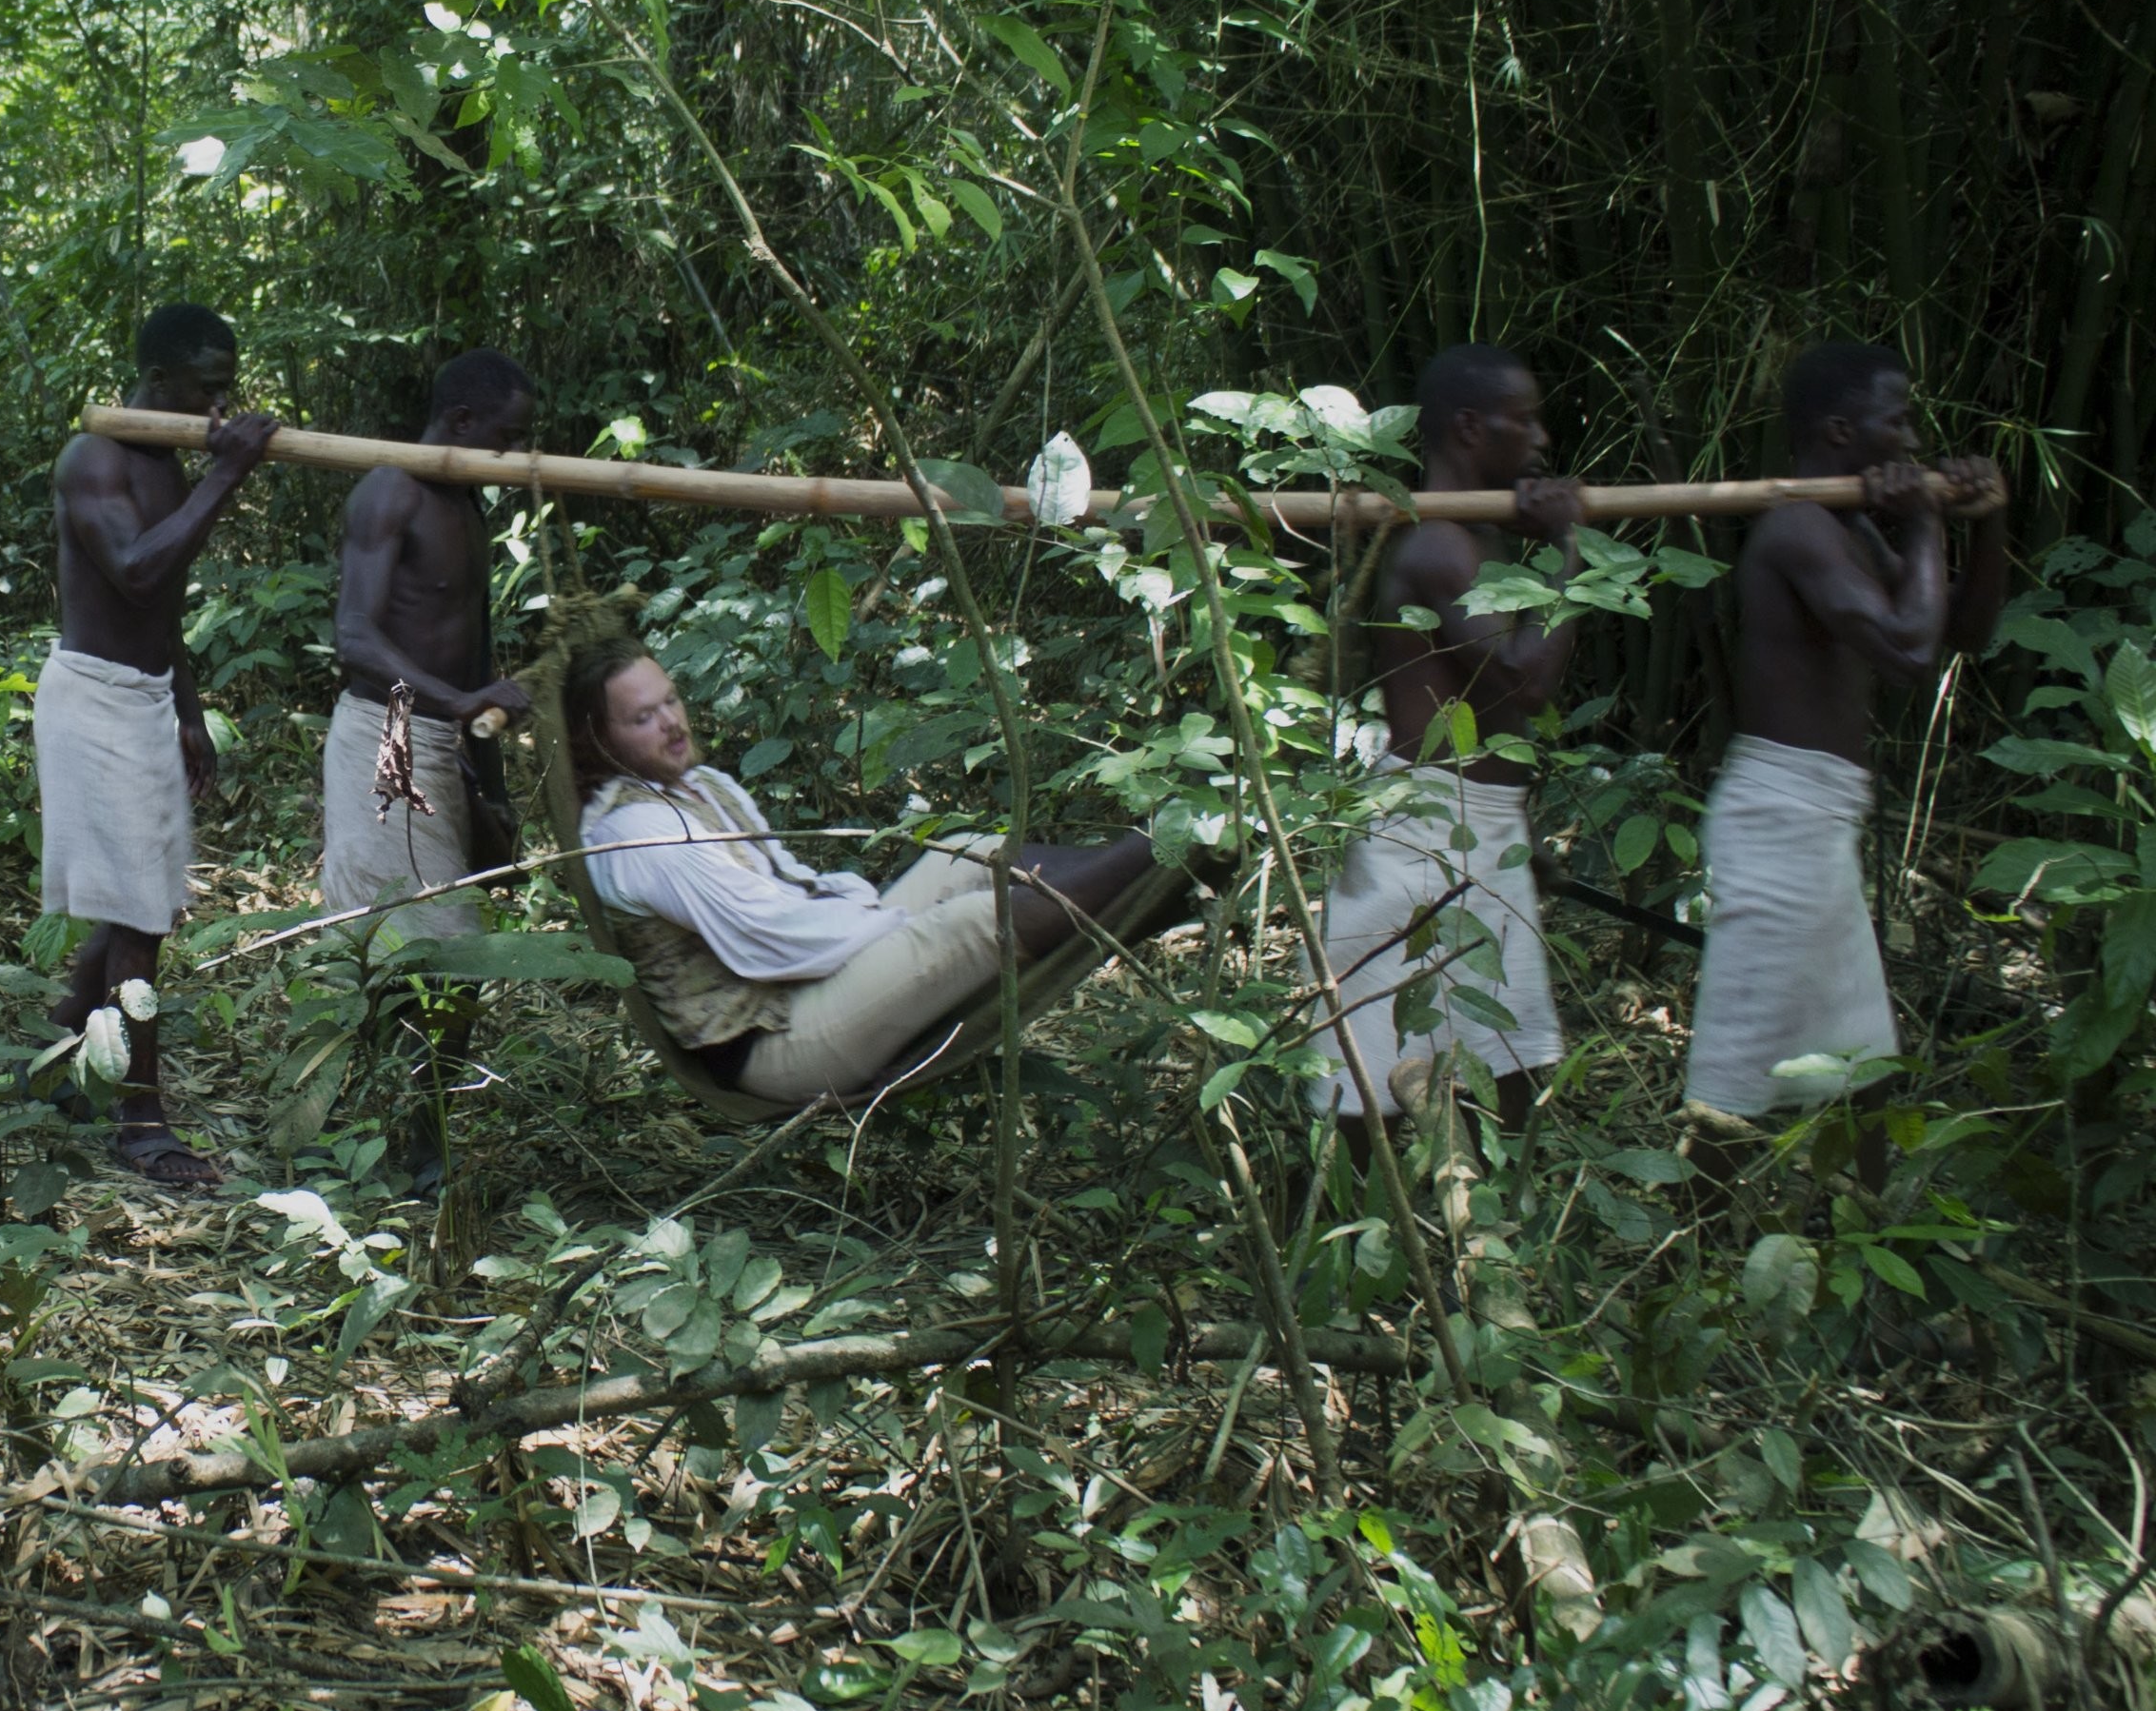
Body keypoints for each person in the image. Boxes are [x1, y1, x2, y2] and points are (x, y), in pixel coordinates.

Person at [569, 641, 1179, 1107]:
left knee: (966, 854)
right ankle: (1166, 844)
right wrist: (890, 924)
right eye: (643, 718)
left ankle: (1150, 863)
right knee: (975, 921)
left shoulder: (699, 786)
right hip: (768, 1043)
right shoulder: (637, 834)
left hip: (797, 984)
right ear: (599, 741)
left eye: (670, 700)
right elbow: (771, 935)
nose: (672, 722)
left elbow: (788, 881)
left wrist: (868, 912)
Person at [1683, 343, 2006, 1134]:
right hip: (1779, 821)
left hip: (1818, 820)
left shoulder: (1850, 525)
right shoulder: (1798, 529)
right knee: (1730, 1090)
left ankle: (1865, 1228)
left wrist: (1988, 523)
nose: (1912, 441)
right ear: (1838, 431)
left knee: (1863, 1063)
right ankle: (1690, 1234)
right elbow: (1906, 651)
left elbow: (1963, 628)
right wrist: (1928, 524)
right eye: (1896, 422)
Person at [1311, 345, 1586, 1130]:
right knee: (1367, 1095)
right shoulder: (1440, 545)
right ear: (1470, 428)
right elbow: (1525, 683)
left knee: (1510, 1067)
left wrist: (1515, 834)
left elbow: (1486, 707)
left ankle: (1480, 1240)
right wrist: (1570, 548)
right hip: (1422, 838)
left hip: (1470, 829)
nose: (1539, 442)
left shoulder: (1472, 536)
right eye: (1524, 421)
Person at [36, 303, 278, 1187]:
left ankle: (63, 1049)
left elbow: (162, 601)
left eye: (227, 391)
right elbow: (134, 566)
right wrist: (228, 476)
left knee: (145, 900)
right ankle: (142, 1123)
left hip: (144, 699)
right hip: (91, 699)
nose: (218, 406)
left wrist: (188, 708)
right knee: (139, 913)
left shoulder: (175, 467)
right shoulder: (91, 458)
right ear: (160, 381)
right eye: (206, 388)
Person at [324, 351, 538, 941]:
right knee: (401, 945)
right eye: (507, 439)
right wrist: (460, 702)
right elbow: (355, 638)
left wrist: (491, 791)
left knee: (450, 953)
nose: (517, 458)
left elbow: (473, 662)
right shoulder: (391, 491)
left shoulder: (467, 505)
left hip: (445, 735)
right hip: (385, 728)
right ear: (463, 422)